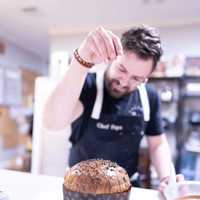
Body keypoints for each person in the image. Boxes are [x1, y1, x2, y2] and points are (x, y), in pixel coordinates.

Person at [43, 26, 183, 191]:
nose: (124, 82)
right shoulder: (87, 86)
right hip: (81, 189)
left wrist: (166, 176)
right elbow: (52, 123)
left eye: (137, 78)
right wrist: (81, 59)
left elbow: (157, 143)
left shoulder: (149, 97)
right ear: (112, 59)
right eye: (122, 69)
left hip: (126, 187)